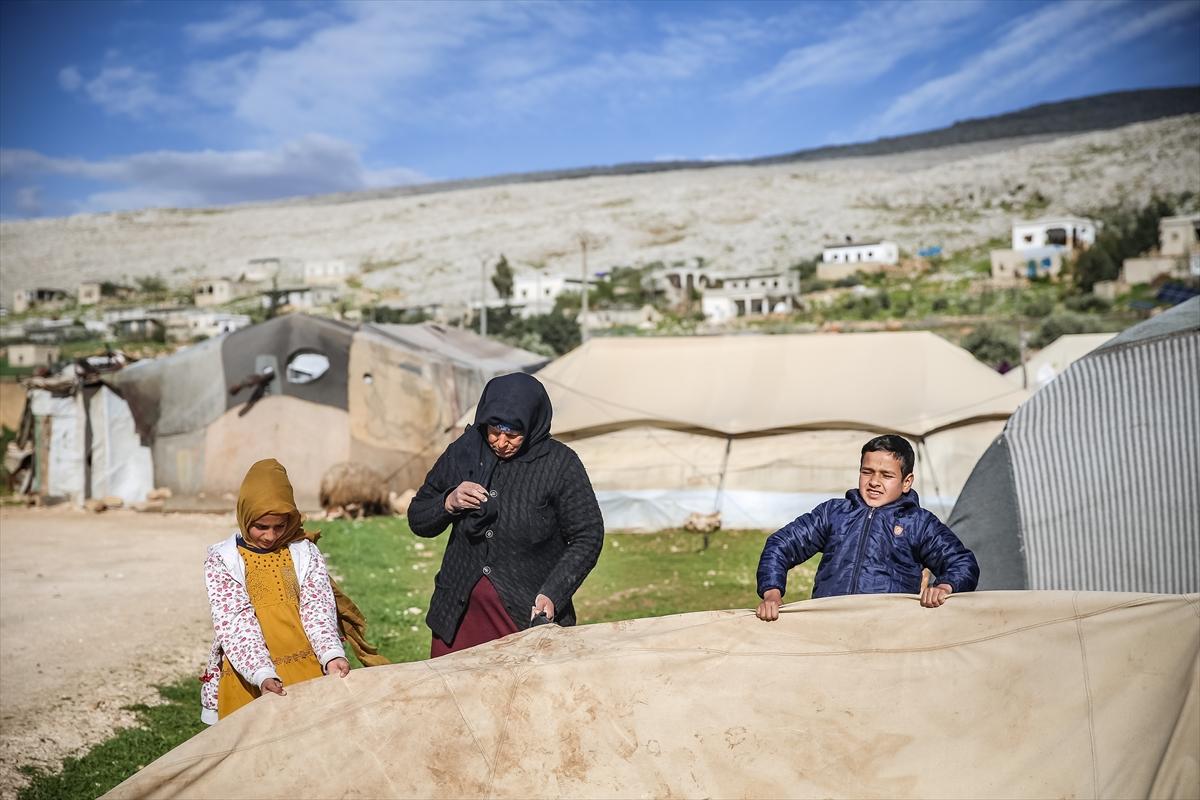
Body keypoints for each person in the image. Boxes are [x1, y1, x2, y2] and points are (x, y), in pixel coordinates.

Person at [408, 372, 604, 657]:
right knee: (453, 696)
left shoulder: (560, 464)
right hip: (459, 617)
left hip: (523, 615)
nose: (501, 442)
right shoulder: (463, 452)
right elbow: (418, 518)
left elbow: (588, 535)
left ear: (532, 424)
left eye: (512, 434)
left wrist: (554, 592)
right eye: (493, 431)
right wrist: (449, 501)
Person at [755, 435, 979, 621]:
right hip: (826, 628)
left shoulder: (919, 523)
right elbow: (780, 545)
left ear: (907, 482)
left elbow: (962, 563)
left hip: (888, 634)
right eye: (867, 471)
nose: (874, 481)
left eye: (887, 475)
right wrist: (772, 593)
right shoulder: (834, 513)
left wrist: (944, 587)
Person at [199, 459, 356, 723]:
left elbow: (317, 608)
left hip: (305, 666)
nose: (271, 536)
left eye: (279, 526)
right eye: (261, 526)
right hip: (250, 675)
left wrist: (331, 655)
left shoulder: (304, 553)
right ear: (245, 515)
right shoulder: (223, 559)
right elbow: (235, 620)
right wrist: (261, 673)